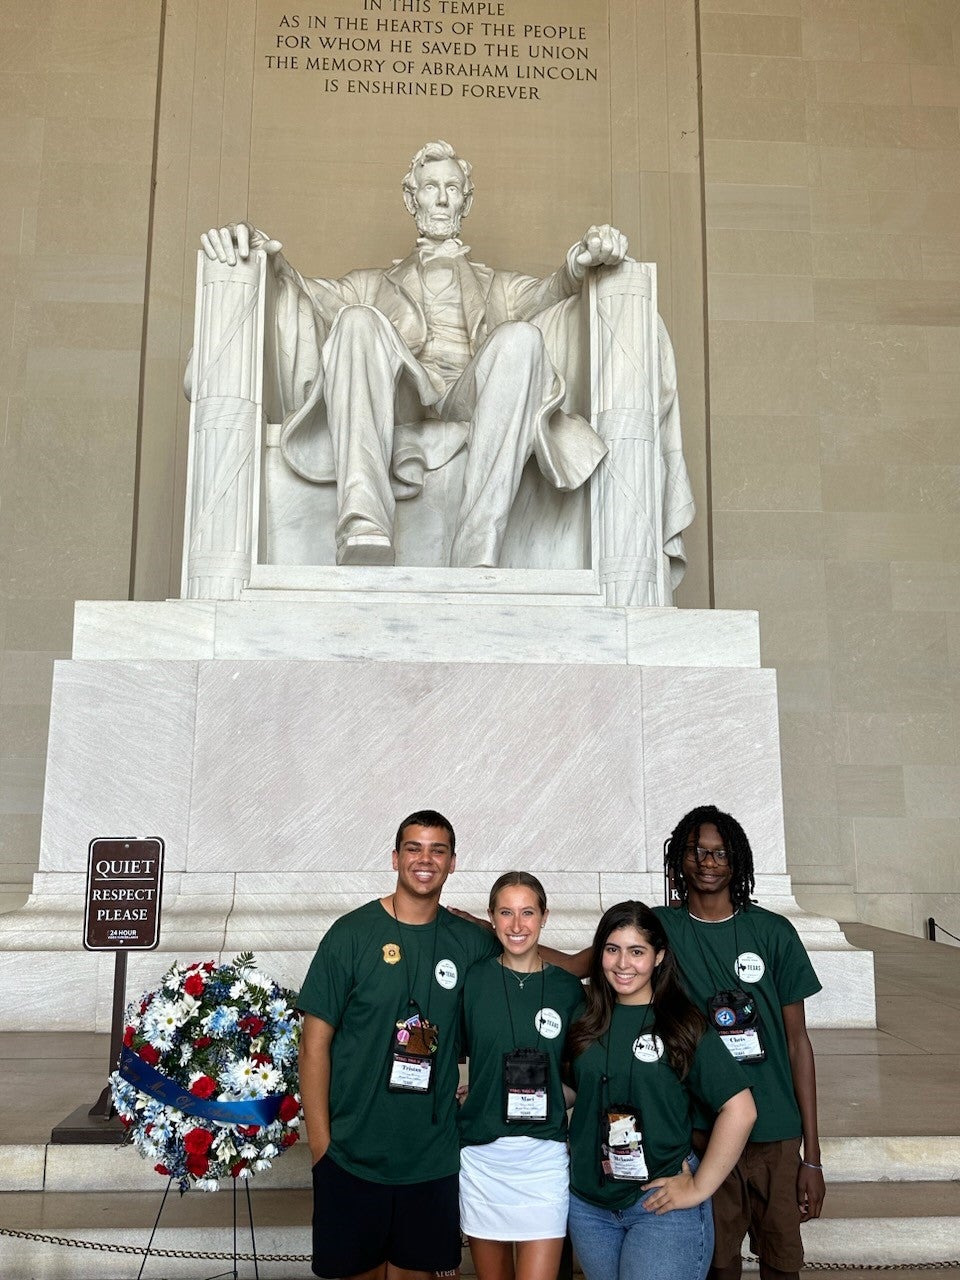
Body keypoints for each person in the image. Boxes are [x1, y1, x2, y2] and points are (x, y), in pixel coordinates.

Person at [199, 140, 665, 569]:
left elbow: (551, 291)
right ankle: (364, 522)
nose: (441, 199)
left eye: (452, 189)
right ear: (411, 200)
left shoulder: (498, 286)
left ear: (466, 201)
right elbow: (304, 293)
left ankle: (478, 542)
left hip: (470, 395)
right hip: (403, 392)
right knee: (357, 319)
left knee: (521, 338)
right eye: (430, 188)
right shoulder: (369, 283)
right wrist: (264, 256)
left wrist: (580, 259)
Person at [297, 809, 499, 1280]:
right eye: (414, 848)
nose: (425, 859)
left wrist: (599, 955)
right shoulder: (351, 934)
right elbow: (313, 1048)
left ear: (453, 863)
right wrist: (321, 1149)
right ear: (395, 858)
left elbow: (526, 958)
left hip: (431, 1159)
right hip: (351, 1155)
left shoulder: (469, 943)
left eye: (438, 850)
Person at [659, 806, 825, 1280]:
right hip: (705, 1130)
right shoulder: (661, 929)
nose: (707, 861)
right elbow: (587, 961)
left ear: (737, 861)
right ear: (679, 860)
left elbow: (798, 1044)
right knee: (717, 1261)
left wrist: (811, 1156)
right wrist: (498, 935)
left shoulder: (773, 932)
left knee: (782, 1263)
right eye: (695, 851)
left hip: (775, 1130)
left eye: (719, 852)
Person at [565, 901, 756, 1280]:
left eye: (637, 952)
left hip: (658, 1203)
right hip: (589, 1204)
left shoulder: (681, 1024)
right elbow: (575, 1089)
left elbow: (741, 1109)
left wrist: (699, 1188)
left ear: (658, 957)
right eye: (612, 949)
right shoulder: (585, 1017)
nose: (623, 964)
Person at [458, 872, 585, 1280]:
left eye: (527, 912)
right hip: (481, 1155)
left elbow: (585, 1079)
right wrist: (479, 1092)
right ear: (491, 918)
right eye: (506, 913)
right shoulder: (471, 980)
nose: (517, 926)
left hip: (544, 1157)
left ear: (544, 917)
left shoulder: (568, 989)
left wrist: (549, 1095)